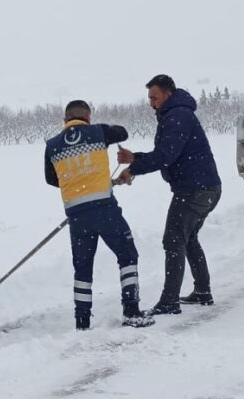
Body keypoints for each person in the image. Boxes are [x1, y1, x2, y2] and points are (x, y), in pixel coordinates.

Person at [117, 75, 222, 315]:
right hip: (205, 187)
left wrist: (133, 168)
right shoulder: (176, 115)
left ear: (168, 94)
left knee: (173, 239)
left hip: (195, 189)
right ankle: (202, 292)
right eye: (149, 98)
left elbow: (166, 156)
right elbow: (166, 153)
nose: (151, 103)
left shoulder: (178, 117)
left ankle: (169, 302)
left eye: (154, 97)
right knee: (188, 238)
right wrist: (135, 159)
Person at [45, 100, 154, 330]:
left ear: (65, 121)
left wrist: (75, 182)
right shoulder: (98, 132)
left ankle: (82, 322)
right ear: (88, 117)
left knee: (82, 268)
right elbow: (122, 132)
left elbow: (51, 178)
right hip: (105, 209)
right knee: (127, 255)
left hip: (76, 214)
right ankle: (131, 311)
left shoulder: (52, 146)